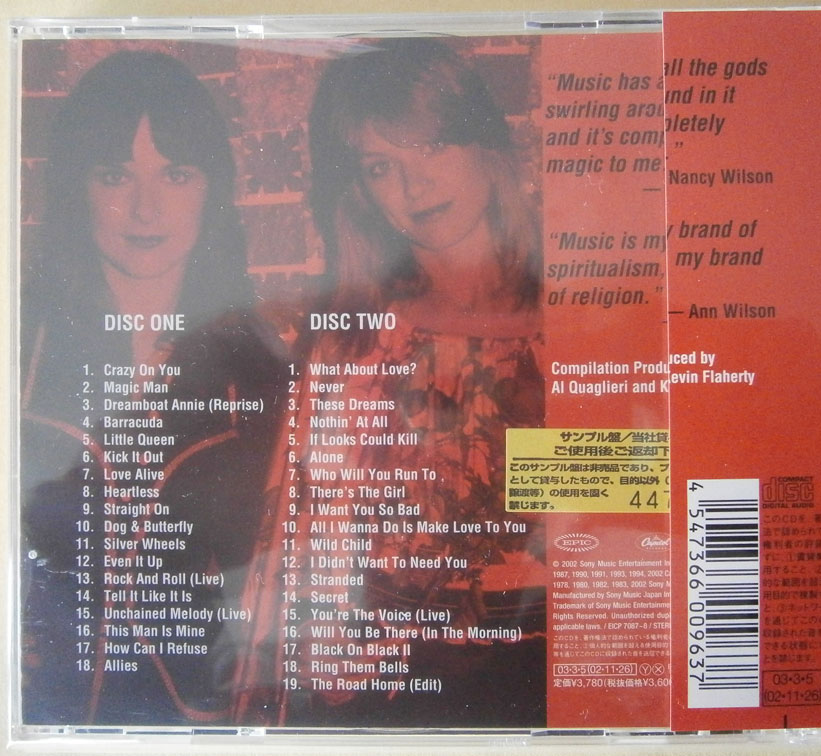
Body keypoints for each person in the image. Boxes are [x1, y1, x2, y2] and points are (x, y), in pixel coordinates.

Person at [234, 39, 547, 727]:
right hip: (389, 688)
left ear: (484, 142)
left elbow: (625, 512)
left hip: (556, 673)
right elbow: (304, 530)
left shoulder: (582, 316)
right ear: (362, 192)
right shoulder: (355, 340)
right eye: (381, 166)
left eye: (430, 145)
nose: (415, 185)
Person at [20, 50, 285, 725]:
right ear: (77, 188)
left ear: (211, 189)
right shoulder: (18, 346)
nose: (145, 208)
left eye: (176, 174)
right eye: (115, 175)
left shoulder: (265, 372)